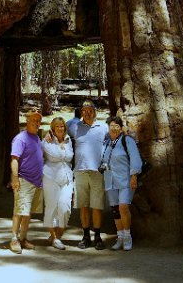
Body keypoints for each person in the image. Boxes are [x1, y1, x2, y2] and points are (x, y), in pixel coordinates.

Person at [67, 100, 108, 250]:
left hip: (97, 172)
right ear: (81, 112)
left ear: (95, 112)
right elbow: (57, 128)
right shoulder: (74, 127)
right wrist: (49, 136)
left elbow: (113, 140)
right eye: (84, 110)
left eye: (90, 110)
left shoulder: (103, 127)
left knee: (97, 205)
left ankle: (97, 236)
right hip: (80, 171)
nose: (87, 113)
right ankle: (85, 236)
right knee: (83, 205)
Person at [100, 116, 142, 251]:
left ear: (120, 127)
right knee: (115, 210)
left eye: (116, 125)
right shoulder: (106, 143)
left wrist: (134, 176)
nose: (113, 128)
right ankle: (120, 237)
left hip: (125, 180)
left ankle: (128, 236)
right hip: (110, 180)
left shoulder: (127, 140)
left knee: (123, 207)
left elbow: (135, 158)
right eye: (111, 125)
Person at [8, 109, 44, 254]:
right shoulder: (20, 138)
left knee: (28, 213)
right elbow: (14, 159)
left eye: (38, 120)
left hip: (36, 182)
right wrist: (15, 178)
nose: (36, 122)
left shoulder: (36, 138)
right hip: (24, 180)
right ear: (27, 121)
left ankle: (23, 238)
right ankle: (14, 239)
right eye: (33, 120)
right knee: (19, 211)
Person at [42, 117, 74, 250]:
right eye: (57, 126)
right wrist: (63, 151)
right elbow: (55, 155)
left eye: (62, 126)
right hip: (51, 176)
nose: (60, 129)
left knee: (65, 207)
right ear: (53, 129)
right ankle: (54, 237)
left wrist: (63, 150)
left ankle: (58, 234)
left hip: (67, 177)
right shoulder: (46, 140)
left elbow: (70, 156)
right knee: (51, 207)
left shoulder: (69, 140)